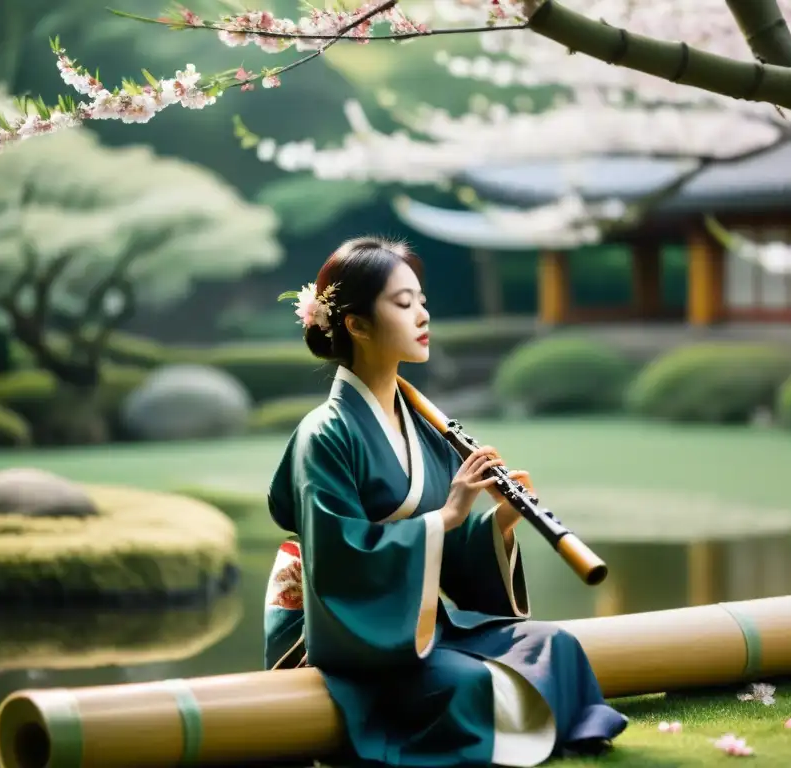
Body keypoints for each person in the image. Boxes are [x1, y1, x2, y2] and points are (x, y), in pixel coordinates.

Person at [263, 236, 628, 767]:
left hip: (409, 623)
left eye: (422, 301)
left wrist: (496, 525)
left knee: (556, 646)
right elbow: (342, 559)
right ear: (357, 325)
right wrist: (448, 514)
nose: (422, 314)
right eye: (403, 303)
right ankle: (526, 729)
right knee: (467, 684)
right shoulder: (325, 433)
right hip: (350, 636)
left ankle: (547, 727)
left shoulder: (428, 427)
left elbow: (450, 563)